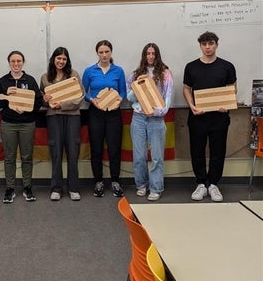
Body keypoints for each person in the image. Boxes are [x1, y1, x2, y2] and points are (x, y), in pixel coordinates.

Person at [183, 31, 237, 202]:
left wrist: (227, 104)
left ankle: (213, 184)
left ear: (216, 44)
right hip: (198, 117)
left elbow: (232, 88)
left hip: (219, 118)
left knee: (218, 151)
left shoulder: (227, 66)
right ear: (200, 45)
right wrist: (191, 106)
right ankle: (200, 184)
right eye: (204, 44)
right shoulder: (191, 67)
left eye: (211, 43)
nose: (207, 47)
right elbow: (186, 88)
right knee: (197, 151)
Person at [0, 51, 43, 203]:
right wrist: (5, 94)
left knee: (27, 157)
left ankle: (27, 187)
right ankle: (10, 188)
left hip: (27, 124)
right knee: (9, 158)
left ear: (23, 62)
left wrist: (28, 109)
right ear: (9, 62)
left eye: (19, 61)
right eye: (13, 61)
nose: (16, 64)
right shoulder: (3, 81)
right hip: (8, 124)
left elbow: (38, 101)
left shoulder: (30, 80)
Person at [126, 43, 173, 201]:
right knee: (139, 155)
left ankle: (156, 188)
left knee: (157, 156)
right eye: (148, 54)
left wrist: (157, 112)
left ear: (157, 55)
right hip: (138, 117)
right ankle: (141, 185)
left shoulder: (165, 74)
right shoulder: (135, 74)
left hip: (156, 119)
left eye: (153, 53)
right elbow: (130, 98)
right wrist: (137, 85)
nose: (151, 56)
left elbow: (167, 98)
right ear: (144, 55)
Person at [82, 40, 126, 197]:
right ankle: (98, 182)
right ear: (97, 53)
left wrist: (119, 100)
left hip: (114, 114)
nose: (104, 55)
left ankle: (115, 181)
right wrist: (91, 100)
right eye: (101, 52)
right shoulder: (89, 71)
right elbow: (83, 92)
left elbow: (123, 92)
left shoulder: (118, 71)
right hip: (96, 113)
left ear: (111, 52)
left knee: (114, 148)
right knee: (96, 149)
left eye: (107, 51)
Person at [40, 47, 83, 201]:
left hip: (72, 117)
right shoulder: (45, 78)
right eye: (58, 58)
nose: (61, 61)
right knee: (56, 152)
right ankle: (56, 188)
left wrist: (62, 105)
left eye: (64, 59)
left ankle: (73, 188)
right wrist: (45, 100)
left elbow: (79, 98)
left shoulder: (74, 75)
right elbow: (43, 102)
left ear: (67, 61)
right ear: (53, 59)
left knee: (73, 151)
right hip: (53, 118)